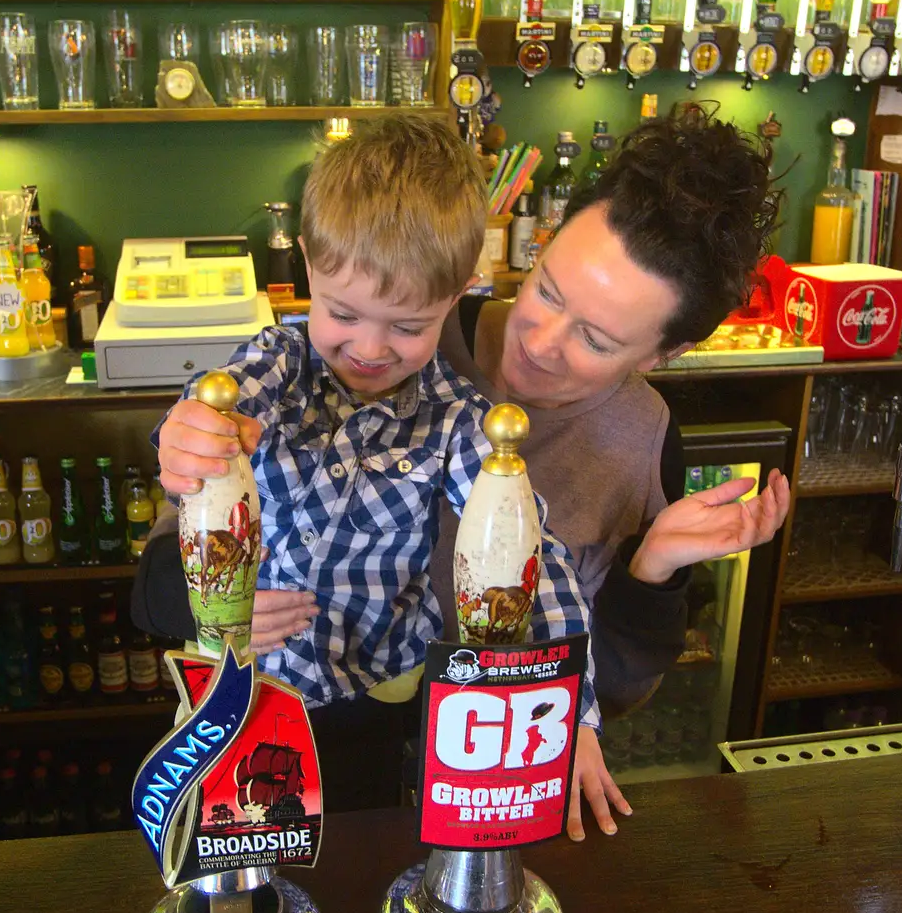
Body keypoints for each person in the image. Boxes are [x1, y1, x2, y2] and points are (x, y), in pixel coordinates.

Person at [145, 111, 791, 838]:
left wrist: (640, 592)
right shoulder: (308, 350)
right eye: (548, 291)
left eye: (597, 338)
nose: (543, 344)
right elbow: (200, 476)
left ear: (660, 356)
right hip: (263, 697)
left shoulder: (535, 429)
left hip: (436, 760)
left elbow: (550, 586)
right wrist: (193, 456)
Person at [141, 114, 600, 809]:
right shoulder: (279, 365)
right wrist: (192, 432)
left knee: (365, 859)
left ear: (458, 294)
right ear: (306, 264)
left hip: (379, 704)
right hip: (255, 686)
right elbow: (218, 403)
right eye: (343, 313)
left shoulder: (459, 420)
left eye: (410, 327)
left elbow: (537, 559)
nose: (370, 348)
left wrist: (572, 714)